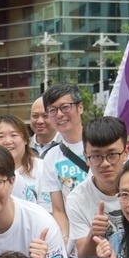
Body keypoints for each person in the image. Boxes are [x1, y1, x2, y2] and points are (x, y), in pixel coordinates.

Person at [68, 116, 129, 258]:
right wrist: (92, 234)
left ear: (126, 152)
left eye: (112, 154)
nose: (105, 163)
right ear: (86, 157)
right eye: (96, 156)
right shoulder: (77, 199)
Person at [37, 83, 89, 247]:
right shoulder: (51, 157)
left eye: (65, 107)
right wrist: (65, 239)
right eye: (52, 110)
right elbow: (58, 209)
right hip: (78, 242)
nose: (59, 114)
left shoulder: (103, 143)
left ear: (80, 107)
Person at [0, 114, 45, 209]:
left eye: (14, 135)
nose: (7, 141)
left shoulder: (42, 168)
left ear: (25, 139)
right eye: (1, 136)